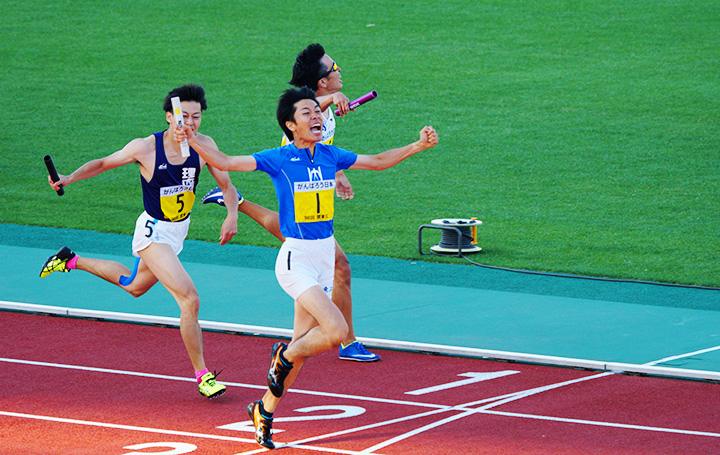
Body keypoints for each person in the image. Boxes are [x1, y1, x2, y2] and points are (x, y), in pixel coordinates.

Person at [176, 86, 438, 449]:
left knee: (301, 351)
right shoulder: (279, 159)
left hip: (323, 258)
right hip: (295, 260)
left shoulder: (330, 155)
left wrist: (416, 146)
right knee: (334, 331)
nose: (317, 116)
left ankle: (264, 410)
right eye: (307, 113)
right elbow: (225, 162)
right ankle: (281, 354)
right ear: (290, 125)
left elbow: (377, 161)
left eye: (317, 110)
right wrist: (192, 139)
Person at [39, 84, 239, 399]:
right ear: (169, 116)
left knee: (134, 286)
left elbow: (226, 184)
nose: (189, 122)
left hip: (177, 234)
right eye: (182, 116)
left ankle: (71, 260)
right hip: (152, 233)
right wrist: (68, 178)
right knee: (189, 299)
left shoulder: (204, 146)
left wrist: (232, 215)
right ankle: (203, 375)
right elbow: (104, 163)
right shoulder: (146, 148)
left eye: (196, 117)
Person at [202, 43, 379, 362]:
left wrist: (337, 173)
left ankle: (239, 202)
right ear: (322, 82)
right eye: (334, 66)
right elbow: (309, 109)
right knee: (335, 263)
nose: (339, 70)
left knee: (331, 263)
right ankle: (342, 341)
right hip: (294, 182)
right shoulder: (310, 107)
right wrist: (328, 101)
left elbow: (323, 148)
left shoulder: (320, 112)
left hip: (311, 185)